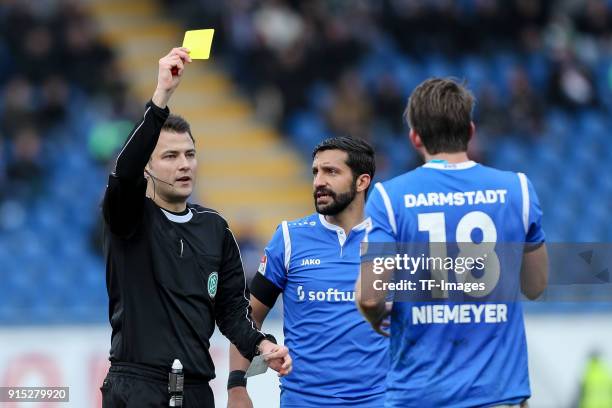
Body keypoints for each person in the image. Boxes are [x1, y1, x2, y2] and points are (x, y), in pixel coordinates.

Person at [101, 47, 291, 408]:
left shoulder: (216, 229)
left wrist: (263, 345)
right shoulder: (128, 217)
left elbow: (233, 313)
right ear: (147, 167)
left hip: (196, 390)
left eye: (189, 154)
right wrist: (161, 97)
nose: (184, 164)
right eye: (170, 157)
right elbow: (123, 173)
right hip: (136, 386)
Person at [357, 78, 548, 407]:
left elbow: (371, 297)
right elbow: (535, 286)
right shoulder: (518, 189)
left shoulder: (389, 198)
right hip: (497, 395)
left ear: (415, 137)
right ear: (470, 131)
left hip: (419, 395)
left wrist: (375, 317)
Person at [227, 137, 388, 408]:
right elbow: (249, 317)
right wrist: (236, 387)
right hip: (304, 402)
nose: (319, 181)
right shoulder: (289, 238)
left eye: (331, 172)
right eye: (316, 172)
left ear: (362, 182)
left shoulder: (390, 239)